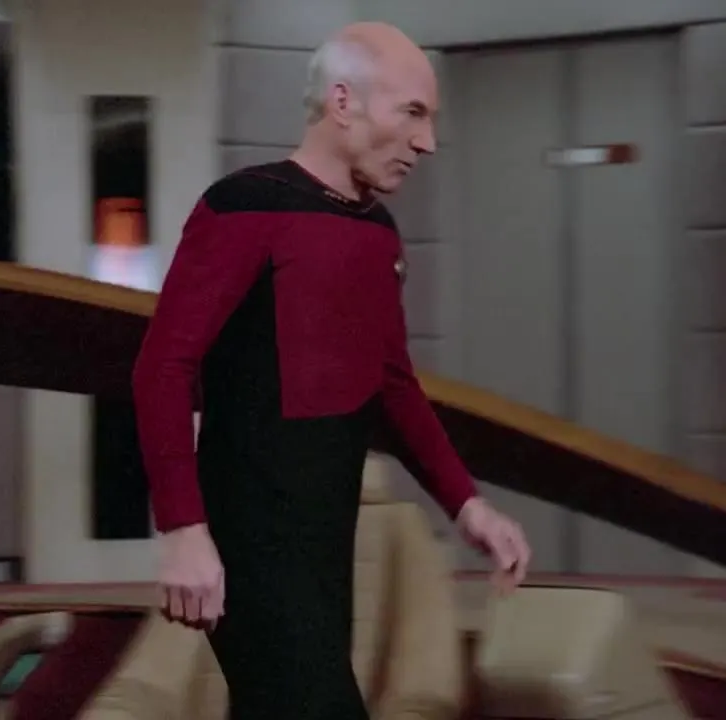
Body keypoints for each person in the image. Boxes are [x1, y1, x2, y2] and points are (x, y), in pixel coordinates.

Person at [131, 21, 531, 720]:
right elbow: (161, 366)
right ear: (344, 102)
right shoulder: (244, 206)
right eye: (413, 113)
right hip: (248, 539)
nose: (427, 142)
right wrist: (184, 532)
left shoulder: (377, 231)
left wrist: (468, 505)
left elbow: (393, 384)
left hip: (325, 540)